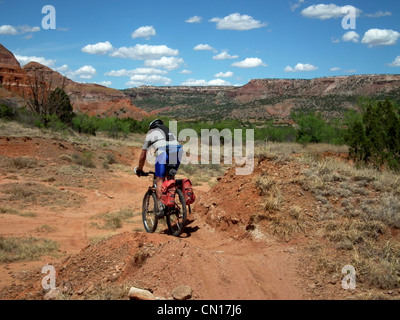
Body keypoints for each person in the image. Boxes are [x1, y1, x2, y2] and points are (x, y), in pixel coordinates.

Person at [134, 119, 182, 217]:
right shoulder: (169, 131)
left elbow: (143, 156)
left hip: (163, 152)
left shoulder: (151, 133)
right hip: (177, 151)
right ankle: (173, 204)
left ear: (151, 127)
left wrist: (139, 169)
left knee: (159, 179)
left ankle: (162, 207)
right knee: (170, 178)